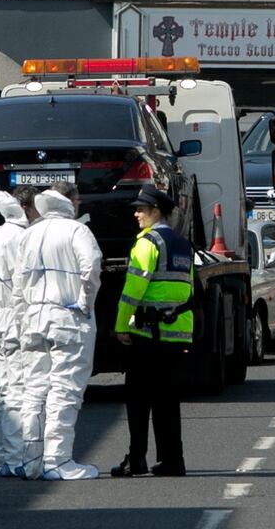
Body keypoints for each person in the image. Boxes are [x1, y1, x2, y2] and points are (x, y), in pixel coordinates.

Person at [13, 182, 101, 480]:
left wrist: (22, 316)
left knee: (34, 390)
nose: (79, 205)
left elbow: (18, 282)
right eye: (77, 200)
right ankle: (58, 461)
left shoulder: (30, 233)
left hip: (33, 318)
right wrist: (84, 303)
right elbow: (91, 266)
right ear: (69, 202)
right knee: (65, 389)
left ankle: (31, 460)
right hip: (67, 318)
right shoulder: (77, 231)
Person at [110, 184, 194, 478]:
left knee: (138, 399)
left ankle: (137, 459)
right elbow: (189, 290)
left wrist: (121, 325)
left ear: (156, 211)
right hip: (177, 333)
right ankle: (173, 460)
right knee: (168, 400)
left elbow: (133, 288)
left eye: (141, 209)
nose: (136, 214)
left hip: (148, 333)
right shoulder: (183, 244)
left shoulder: (147, 243)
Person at [0, 185, 39, 478]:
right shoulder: (22, 238)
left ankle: (5, 457)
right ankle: (17, 458)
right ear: (28, 208)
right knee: (19, 389)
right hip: (18, 317)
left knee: (5, 391)